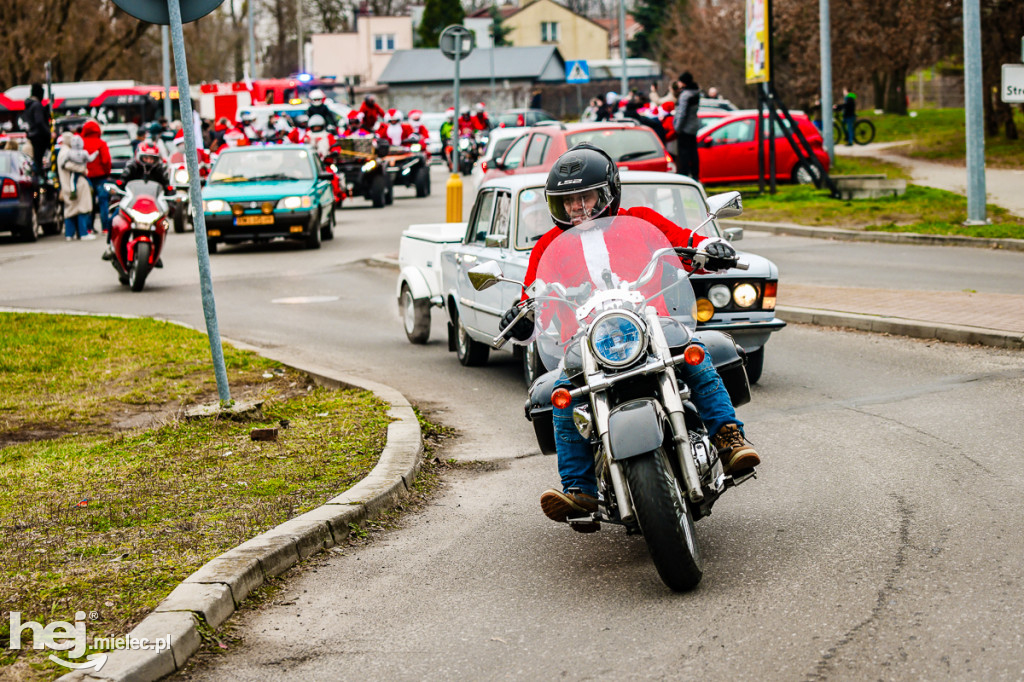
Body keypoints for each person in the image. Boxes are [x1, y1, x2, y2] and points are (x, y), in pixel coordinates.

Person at [500, 144, 760, 528]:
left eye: (585, 196)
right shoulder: (547, 248)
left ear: (608, 192)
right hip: (586, 343)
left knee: (695, 352)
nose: (577, 207)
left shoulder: (641, 222)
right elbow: (533, 297)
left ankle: (728, 438)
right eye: (568, 200)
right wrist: (523, 315)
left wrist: (708, 247)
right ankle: (579, 489)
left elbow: (684, 241)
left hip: (649, 321)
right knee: (564, 395)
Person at [56, 132, 94, 241]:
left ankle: (70, 234)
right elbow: (68, 165)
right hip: (74, 185)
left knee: (70, 210)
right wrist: (82, 169)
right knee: (81, 208)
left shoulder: (62, 151)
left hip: (68, 184)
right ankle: (83, 233)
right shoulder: (67, 152)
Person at [80, 120, 112, 235]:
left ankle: (89, 228)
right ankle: (105, 228)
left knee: (89, 203)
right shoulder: (101, 143)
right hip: (101, 177)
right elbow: (106, 160)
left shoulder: (82, 143)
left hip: (86, 177)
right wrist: (107, 173)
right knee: (103, 203)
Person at [673, 71, 702, 179]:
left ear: (684, 82)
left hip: (685, 129)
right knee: (693, 152)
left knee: (684, 154)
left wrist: (677, 128)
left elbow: (682, 113)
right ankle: (695, 174)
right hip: (693, 127)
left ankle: (684, 176)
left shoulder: (685, 95)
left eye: (680, 81)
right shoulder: (696, 92)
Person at [22, 83, 51, 179]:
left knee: (36, 162)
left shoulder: (29, 106)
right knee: (39, 164)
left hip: (33, 137)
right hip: (39, 138)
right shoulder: (37, 106)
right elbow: (39, 122)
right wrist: (49, 133)